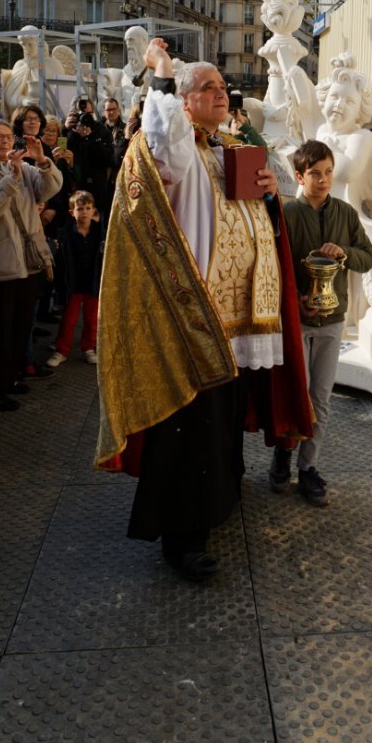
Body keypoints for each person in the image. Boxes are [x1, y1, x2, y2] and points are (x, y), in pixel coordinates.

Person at [95, 38, 312, 581]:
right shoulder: (177, 150)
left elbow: (259, 215)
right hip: (196, 317)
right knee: (189, 428)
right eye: (209, 88)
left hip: (242, 317)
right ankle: (181, 536)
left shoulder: (225, 148)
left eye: (222, 88)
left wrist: (266, 195)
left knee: (223, 422)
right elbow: (162, 138)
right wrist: (162, 74)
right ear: (184, 101)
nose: (222, 94)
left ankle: (219, 501)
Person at [269, 140, 372, 505]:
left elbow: (368, 258)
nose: (324, 179)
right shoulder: (286, 215)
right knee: (294, 395)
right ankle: (282, 455)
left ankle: (308, 468)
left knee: (322, 400)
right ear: (299, 176)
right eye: (315, 173)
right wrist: (294, 299)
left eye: (328, 172)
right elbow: (274, 266)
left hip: (332, 320)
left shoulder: (346, 214)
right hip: (296, 321)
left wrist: (344, 253)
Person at [0, 119, 61, 410]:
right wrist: (11, 179)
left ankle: (11, 378)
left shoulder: (27, 168)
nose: (5, 142)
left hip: (28, 261)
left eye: (9, 137)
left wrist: (42, 160)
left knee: (20, 327)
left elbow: (50, 190)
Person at [46, 191, 102, 368]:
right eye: (80, 208)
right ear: (72, 212)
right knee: (68, 319)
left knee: (92, 319)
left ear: (94, 211)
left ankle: (88, 348)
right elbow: (62, 260)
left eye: (88, 208)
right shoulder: (66, 234)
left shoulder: (100, 233)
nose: (84, 212)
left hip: (92, 283)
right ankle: (61, 350)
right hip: (73, 284)